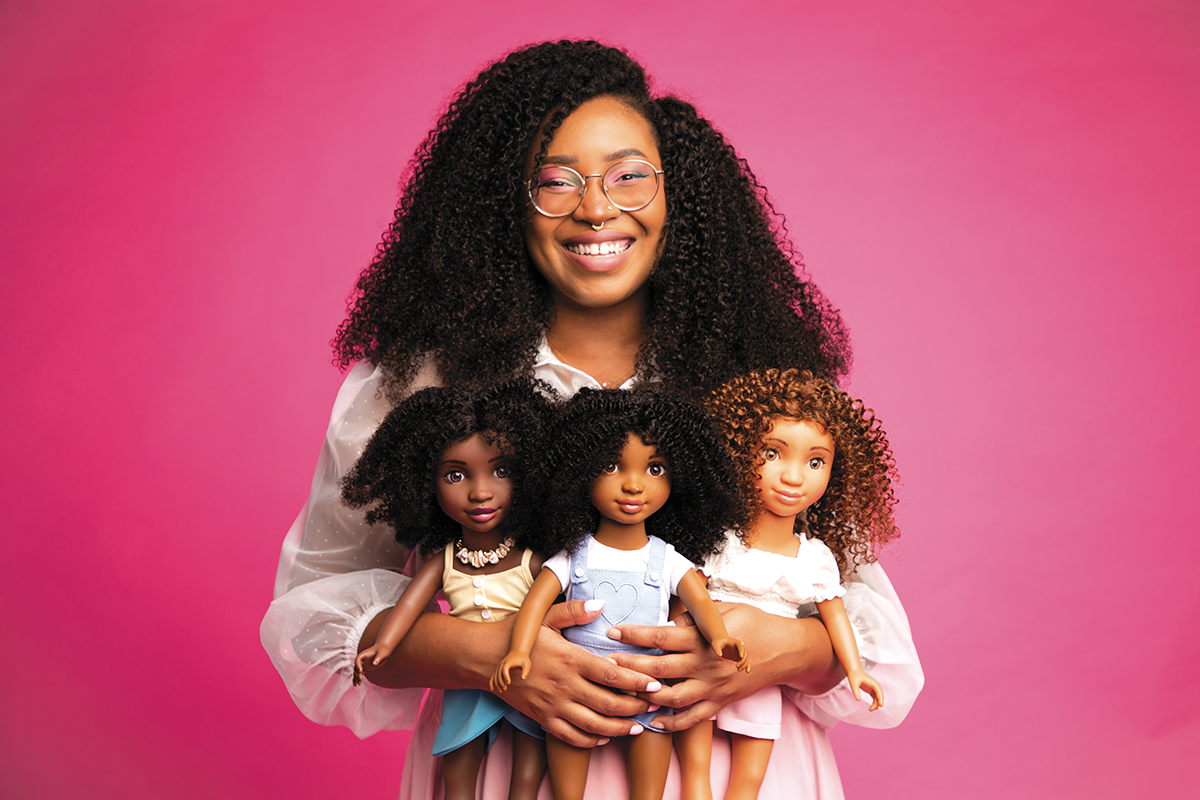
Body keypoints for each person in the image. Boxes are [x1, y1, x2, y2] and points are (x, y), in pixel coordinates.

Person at [259, 39, 923, 800]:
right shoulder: (423, 381)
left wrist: (781, 647)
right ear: (502, 202)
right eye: (555, 181)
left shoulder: (758, 388)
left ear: (682, 194)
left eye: (629, 176)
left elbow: (878, 642)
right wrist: (488, 653)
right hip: (511, 770)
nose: (598, 207)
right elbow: (312, 617)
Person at [491, 390, 750, 800]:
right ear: (579, 475)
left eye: (655, 468)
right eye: (611, 466)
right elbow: (535, 605)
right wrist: (519, 651)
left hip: (648, 687)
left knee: (650, 790)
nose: (633, 485)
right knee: (566, 789)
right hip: (574, 684)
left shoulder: (666, 559)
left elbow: (699, 601)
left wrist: (719, 637)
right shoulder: (574, 554)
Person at [676, 369, 900, 800]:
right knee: (694, 776)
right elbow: (689, 588)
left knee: (748, 781)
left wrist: (856, 672)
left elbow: (836, 617)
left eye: (815, 462)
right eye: (773, 453)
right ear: (740, 453)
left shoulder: (815, 559)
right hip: (702, 662)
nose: (794, 477)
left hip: (763, 680)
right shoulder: (723, 540)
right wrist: (670, 636)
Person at [340, 381, 554, 800]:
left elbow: (558, 608)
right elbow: (408, 607)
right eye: (455, 475)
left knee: (529, 772)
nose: (479, 492)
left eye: (501, 470)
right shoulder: (445, 561)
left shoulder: (533, 560)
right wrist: (383, 646)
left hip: (533, 678)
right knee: (457, 770)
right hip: (465, 683)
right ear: (423, 482)